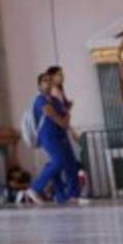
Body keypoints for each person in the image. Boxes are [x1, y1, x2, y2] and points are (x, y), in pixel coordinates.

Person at [28, 70, 85, 206]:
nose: (48, 83)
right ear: (39, 85)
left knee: (71, 163)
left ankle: (70, 195)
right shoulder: (39, 100)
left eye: (50, 80)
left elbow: (66, 114)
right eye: (44, 81)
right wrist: (63, 119)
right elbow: (54, 116)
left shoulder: (55, 100)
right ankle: (35, 188)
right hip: (48, 135)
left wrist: (64, 117)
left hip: (61, 135)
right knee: (58, 161)